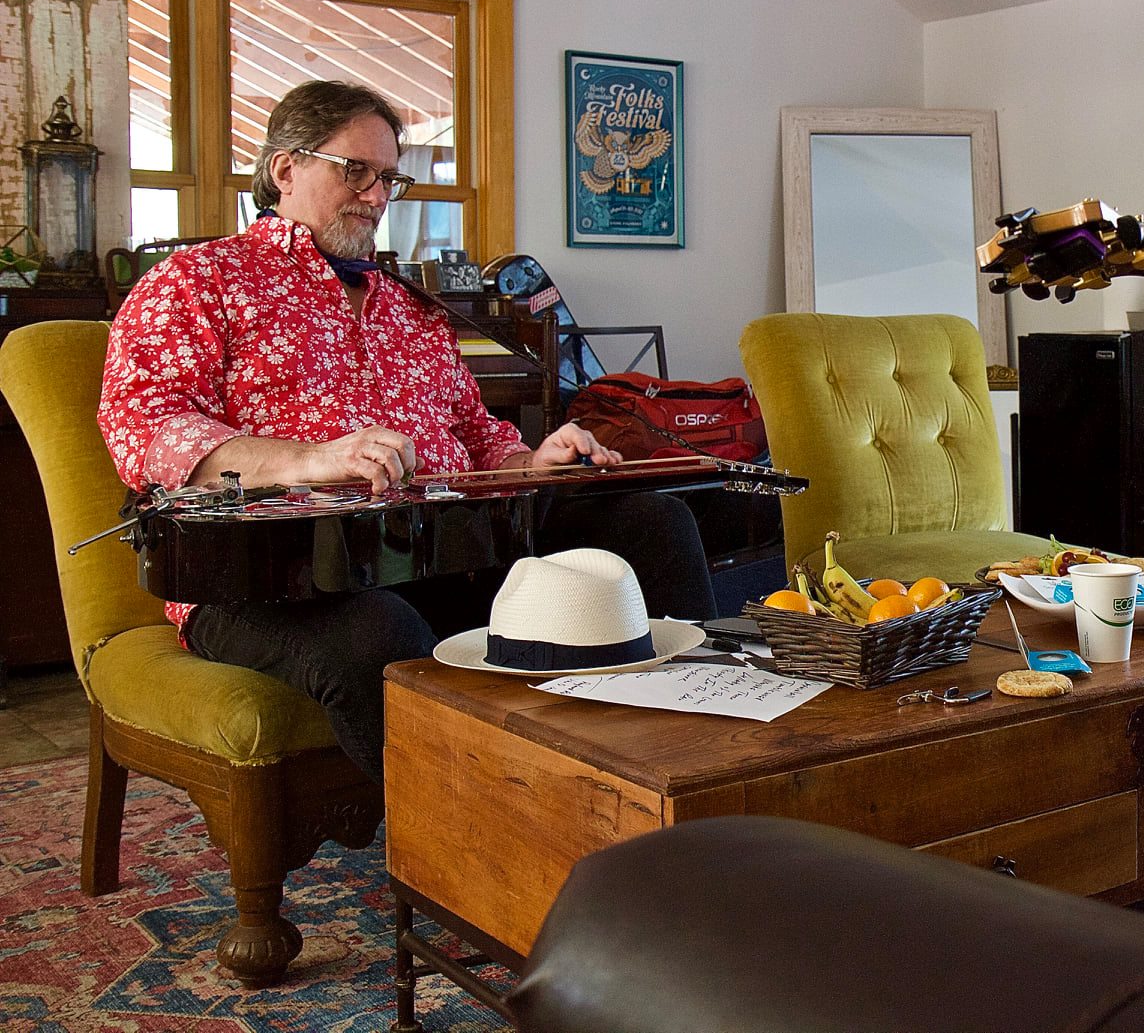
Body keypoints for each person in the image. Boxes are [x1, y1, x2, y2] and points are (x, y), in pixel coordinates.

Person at [98, 80, 718, 786]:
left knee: (654, 523)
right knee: (380, 633)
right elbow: (148, 427)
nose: (376, 194)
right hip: (270, 581)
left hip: (441, 556)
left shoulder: (409, 308)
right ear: (283, 169)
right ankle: (477, 855)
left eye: (388, 176)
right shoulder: (196, 282)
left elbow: (477, 436)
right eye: (354, 170)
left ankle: (689, 776)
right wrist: (312, 459)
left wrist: (534, 459)